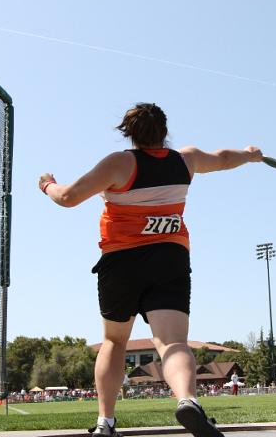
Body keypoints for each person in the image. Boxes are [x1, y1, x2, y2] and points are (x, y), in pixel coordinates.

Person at [39, 103, 263, 437]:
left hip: (121, 263)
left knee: (114, 342)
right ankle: (188, 400)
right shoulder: (184, 160)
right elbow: (223, 158)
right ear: (164, 131)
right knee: (173, 343)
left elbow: (68, 197)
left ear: (128, 132)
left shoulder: (119, 163)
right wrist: (249, 154)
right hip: (169, 258)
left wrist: (47, 184)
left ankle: (106, 423)